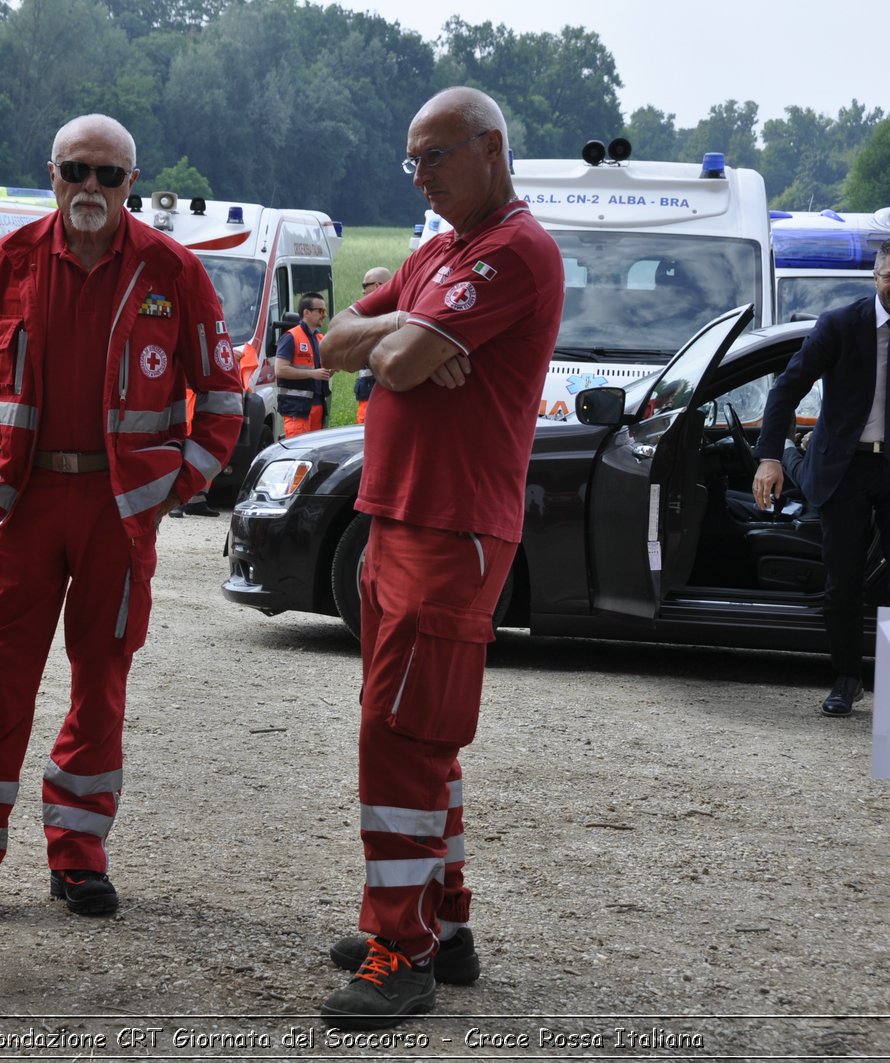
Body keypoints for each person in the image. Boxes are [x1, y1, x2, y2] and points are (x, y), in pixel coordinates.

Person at [0, 114, 243, 920]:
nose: (91, 188)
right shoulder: (8, 264)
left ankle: (78, 852)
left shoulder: (174, 272)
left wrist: (173, 488)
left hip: (119, 512)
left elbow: (223, 402)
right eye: (77, 171)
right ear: (52, 174)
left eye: (109, 176)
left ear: (133, 184)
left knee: (101, 679)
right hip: (25, 503)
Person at [314, 87, 564, 1030]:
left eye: (435, 156)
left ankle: (402, 950)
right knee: (422, 735)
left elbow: (406, 362)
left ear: (492, 148)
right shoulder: (442, 249)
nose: (420, 174)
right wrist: (396, 335)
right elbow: (339, 342)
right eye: (411, 161)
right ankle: (440, 924)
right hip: (399, 517)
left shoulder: (512, 250)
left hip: (451, 527)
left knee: (401, 736)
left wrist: (402, 342)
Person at [752, 233, 890, 718]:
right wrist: (769, 457)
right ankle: (847, 680)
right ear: (875, 276)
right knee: (843, 582)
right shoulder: (840, 325)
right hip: (847, 466)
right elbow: (786, 389)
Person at [274, 292, 332, 436]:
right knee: (298, 454)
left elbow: (321, 373)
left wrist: (333, 369)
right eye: (321, 311)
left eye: (325, 311)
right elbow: (280, 370)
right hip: (297, 409)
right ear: (306, 312)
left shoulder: (320, 338)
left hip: (317, 407)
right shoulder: (290, 337)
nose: (324, 315)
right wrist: (312, 373)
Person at [354, 267, 393, 424]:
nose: (363, 291)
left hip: (373, 398)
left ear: (377, 286)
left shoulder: (376, 319)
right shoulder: (397, 313)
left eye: (365, 285)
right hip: (381, 396)